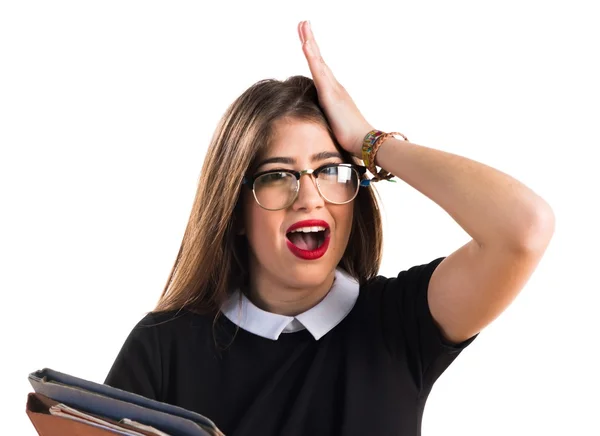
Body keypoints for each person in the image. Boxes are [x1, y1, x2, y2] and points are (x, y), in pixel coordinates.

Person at [104, 21, 555, 436]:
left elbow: (523, 227)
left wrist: (368, 140)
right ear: (236, 211)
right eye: (278, 175)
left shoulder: (401, 322)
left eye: (330, 172)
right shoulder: (163, 348)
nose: (310, 197)